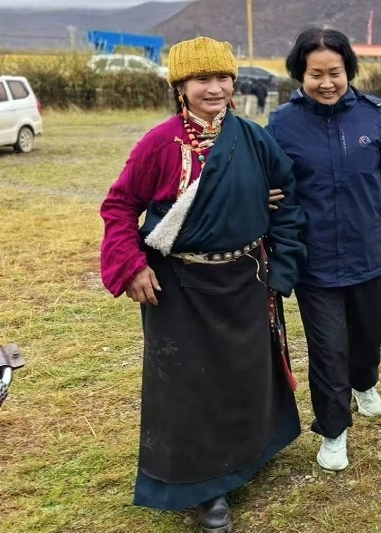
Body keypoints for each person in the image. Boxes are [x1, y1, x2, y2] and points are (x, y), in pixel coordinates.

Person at [99, 37, 308, 533]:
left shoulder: (253, 139)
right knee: (191, 386)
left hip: (246, 279)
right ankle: (205, 486)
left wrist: (281, 269)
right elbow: (119, 206)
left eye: (222, 78)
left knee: (245, 375)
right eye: (201, 79)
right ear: (181, 86)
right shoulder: (160, 143)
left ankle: (248, 452)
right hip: (180, 287)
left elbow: (288, 202)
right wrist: (131, 265)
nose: (214, 88)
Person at [267, 26, 381, 473]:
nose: (327, 83)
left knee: (366, 337)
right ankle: (333, 430)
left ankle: (364, 382)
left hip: (369, 253)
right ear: (300, 74)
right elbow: (267, 181)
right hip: (314, 261)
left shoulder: (374, 116)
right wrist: (263, 196)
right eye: (316, 74)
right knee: (328, 349)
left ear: (348, 70)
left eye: (335, 72)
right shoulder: (282, 124)